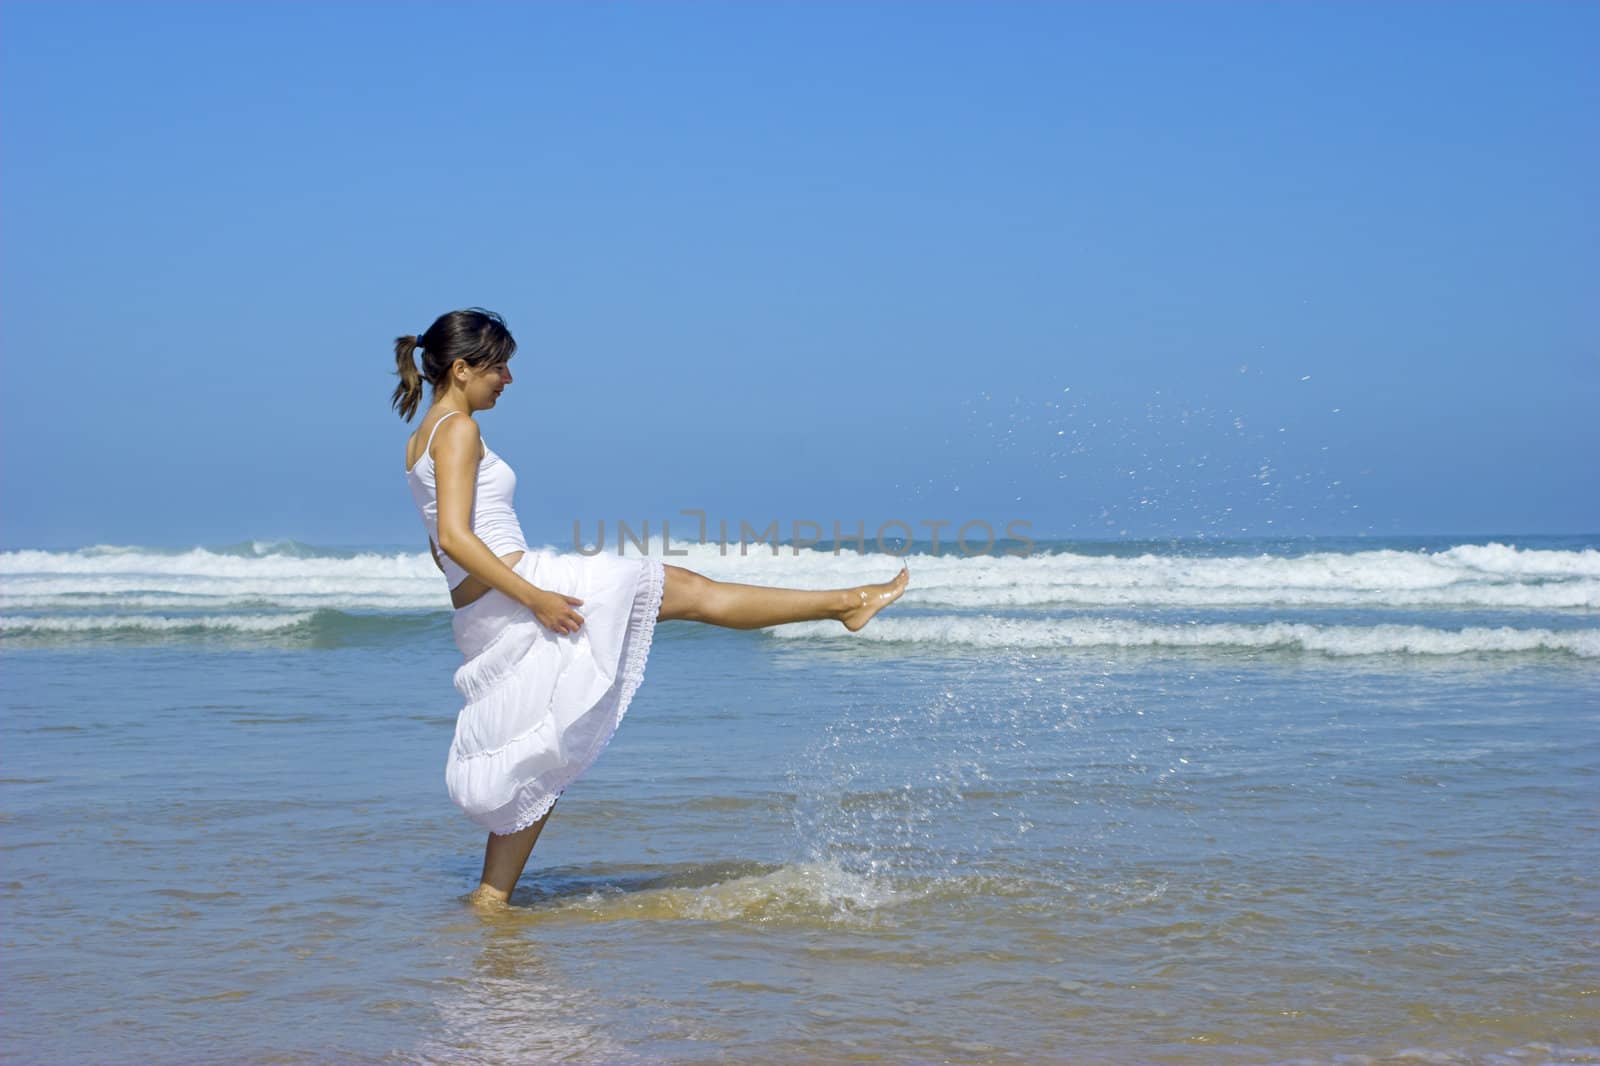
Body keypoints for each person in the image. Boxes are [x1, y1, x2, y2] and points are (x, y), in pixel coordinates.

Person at [393, 308, 909, 907]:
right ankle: (847, 603)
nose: (507, 380)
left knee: (546, 748)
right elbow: (456, 536)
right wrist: (535, 597)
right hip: (523, 588)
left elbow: (440, 551)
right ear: (461, 368)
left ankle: (491, 895)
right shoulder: (459, 430)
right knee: (692, 592)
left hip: (487, 607)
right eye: (499, 367)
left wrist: (495, 602)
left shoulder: (420, 439)